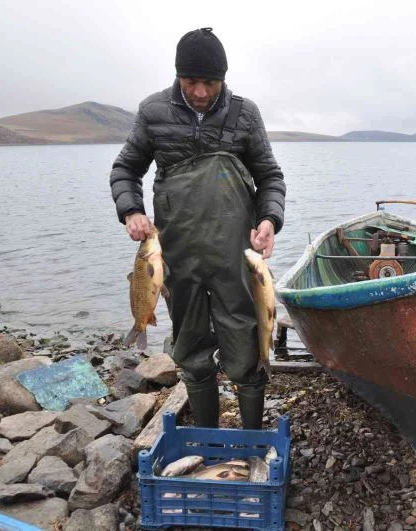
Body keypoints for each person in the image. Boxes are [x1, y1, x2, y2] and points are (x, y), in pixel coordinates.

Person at [109, 27, 286, 430]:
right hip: (178, 251)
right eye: (192, 82)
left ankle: (252, 438)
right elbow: (125, 169)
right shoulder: (153, 111)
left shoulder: (245, 113)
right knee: (190, 344)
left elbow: (270, 177)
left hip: (234, 252)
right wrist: (131, 211)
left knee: (244, 338)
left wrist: (268, 219)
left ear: (223, 78)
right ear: (178, 76)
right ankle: (207, 437)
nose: (201, 92)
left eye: (210, 82)